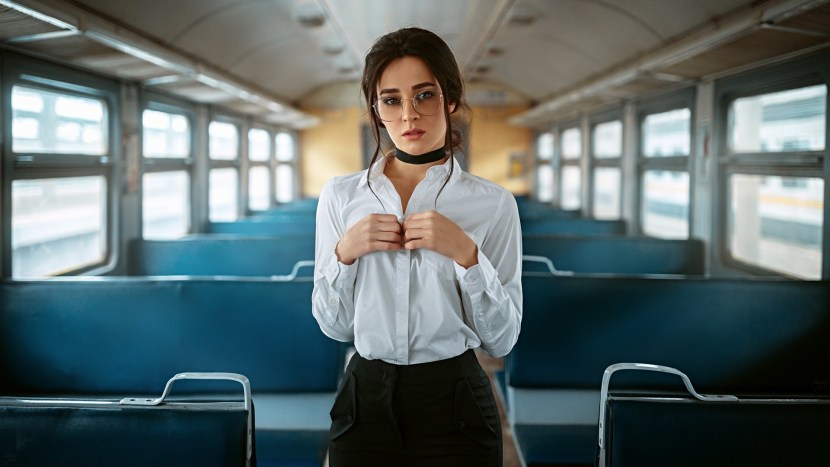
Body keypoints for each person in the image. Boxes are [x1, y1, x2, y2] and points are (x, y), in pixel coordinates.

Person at [311, 27, 522, 467]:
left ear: (449, 99)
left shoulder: (493, 204)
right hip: (365, 398)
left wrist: (468, 256)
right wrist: (344, 254)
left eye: (424, 95)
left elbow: (501, 340)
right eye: (391, 100)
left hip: (456, 399)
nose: (409, 115)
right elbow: (334, 327)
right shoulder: (341, 196)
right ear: (377, 109)